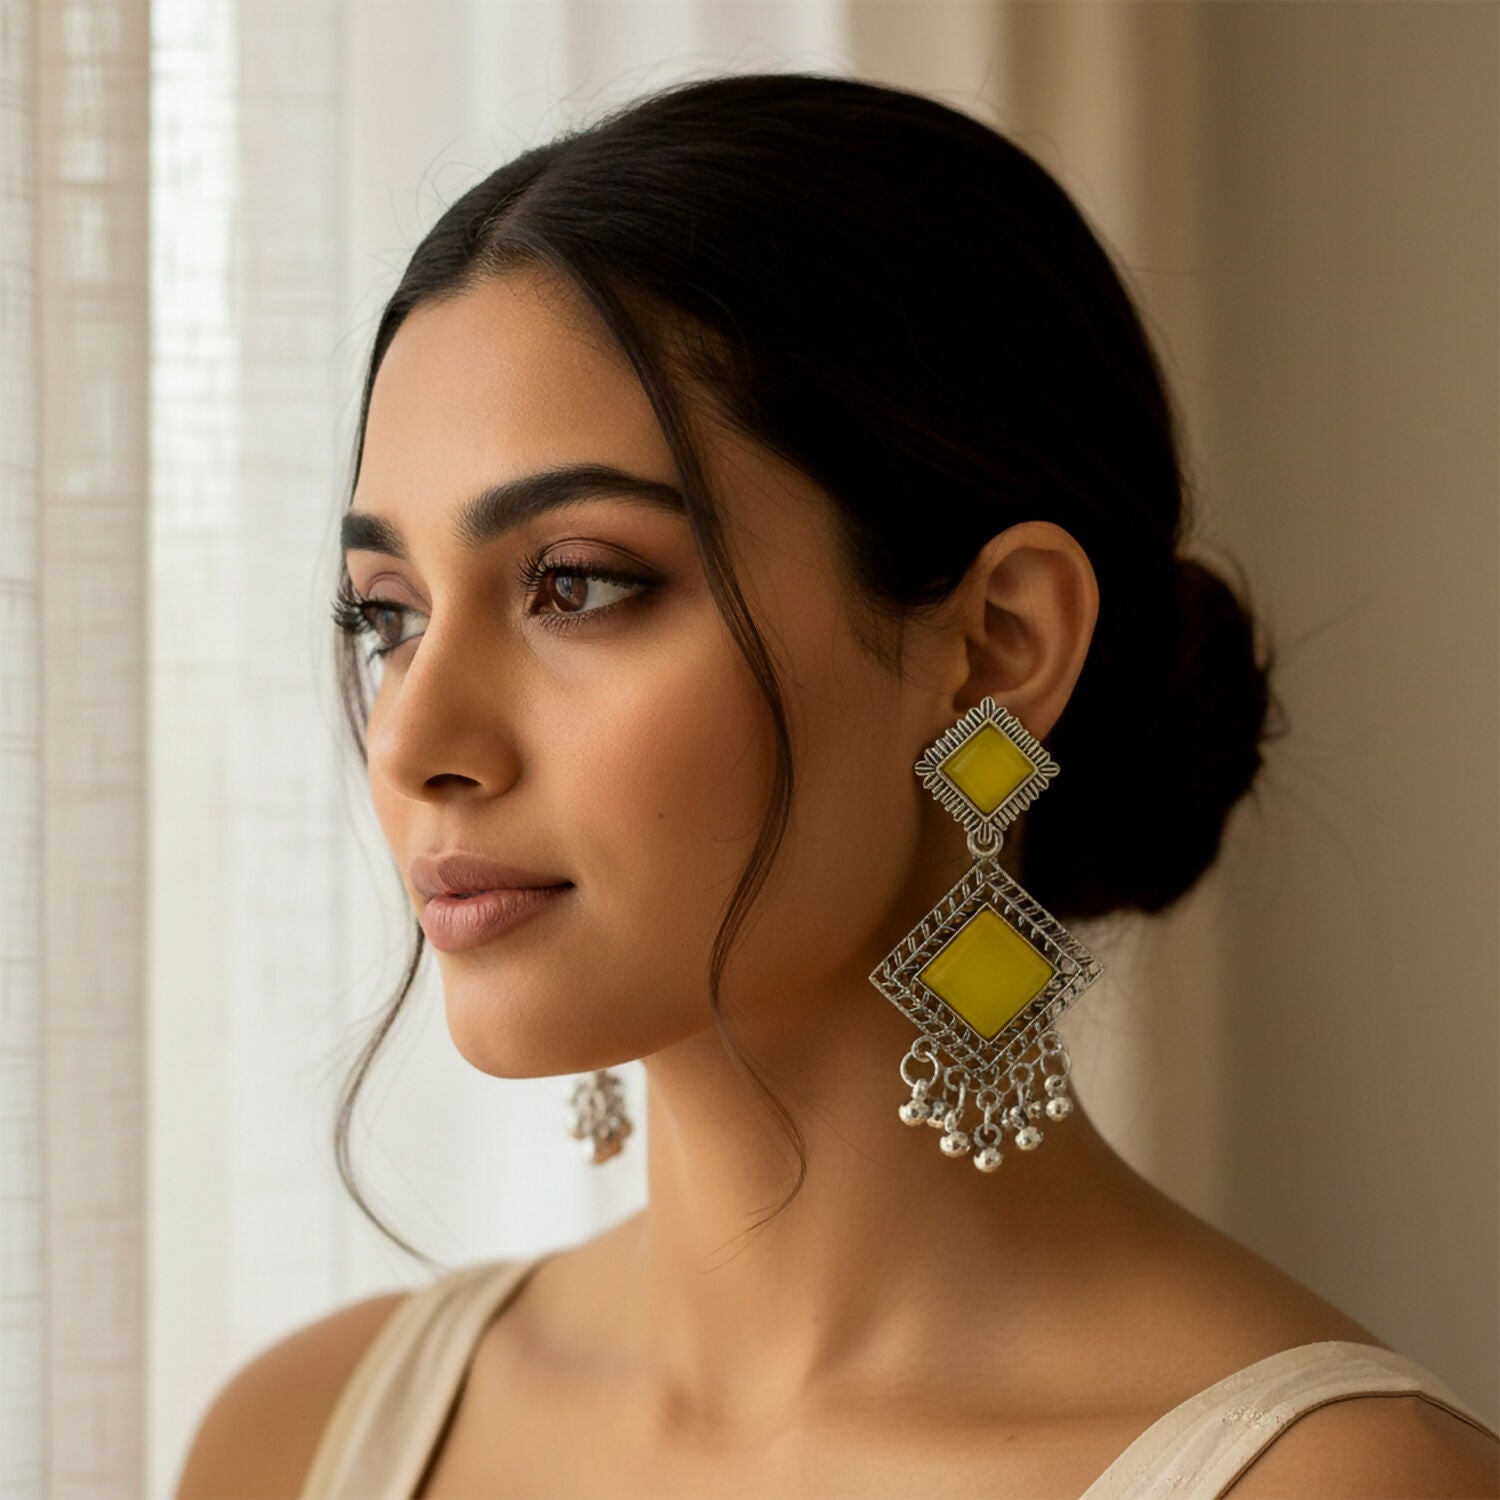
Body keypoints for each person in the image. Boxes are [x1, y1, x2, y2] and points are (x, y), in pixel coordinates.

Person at [175, 72, 1500, 1499]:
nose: (411, 738)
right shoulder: (299, 1440)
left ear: (999, 641)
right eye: (387, 613)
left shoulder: (1337, 1484)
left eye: (576, 584)